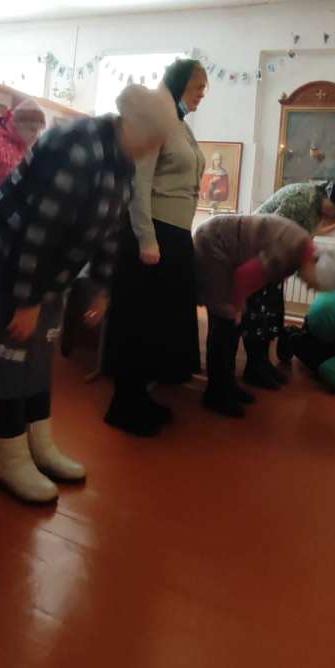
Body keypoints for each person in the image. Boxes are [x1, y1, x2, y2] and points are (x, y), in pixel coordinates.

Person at [0, 86, 178, 503]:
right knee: (9, 358)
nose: (154, 149)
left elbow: (111, 229)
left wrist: (100, 287)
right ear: (135, 125)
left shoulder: (122, 158)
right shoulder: (76, 147)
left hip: (39, 270)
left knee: (38, 357)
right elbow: (40, 230)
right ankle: (12, 461)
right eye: (154, 139)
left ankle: (40, 447)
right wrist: (28, 301)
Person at [103, 58, 208, 436]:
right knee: (139, 322)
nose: (201, 96)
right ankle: (124, 405)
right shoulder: (156, 119)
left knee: (158, 325)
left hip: (174, 235)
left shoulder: (180, 123)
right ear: (179, 84)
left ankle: (141, 398)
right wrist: (146, 238)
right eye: (198, 88)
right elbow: (139, 183)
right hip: (152, 235)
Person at [194, 213, 335, 417]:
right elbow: (244, 277)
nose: (309, 286)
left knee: (233, 323)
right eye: (314, 283)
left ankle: (227, 384)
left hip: (225, 245)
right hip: (213, 242)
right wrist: (238, 306)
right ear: (315, 264)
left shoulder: (303, 249)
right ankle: (216, 394)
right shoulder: (290, 249)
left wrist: (240, 306)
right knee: (225, 320)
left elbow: (258, 277)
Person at [246, 180, 335, 388]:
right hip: (257, 256)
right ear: (331, 200)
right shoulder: (301, 199)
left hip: (272, 263)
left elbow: (302, 236)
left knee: (270, 315)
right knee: (258, 316)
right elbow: (271, 233)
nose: (333, 217)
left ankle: (261, 363)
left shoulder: (315, 206)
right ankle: (254, 367)